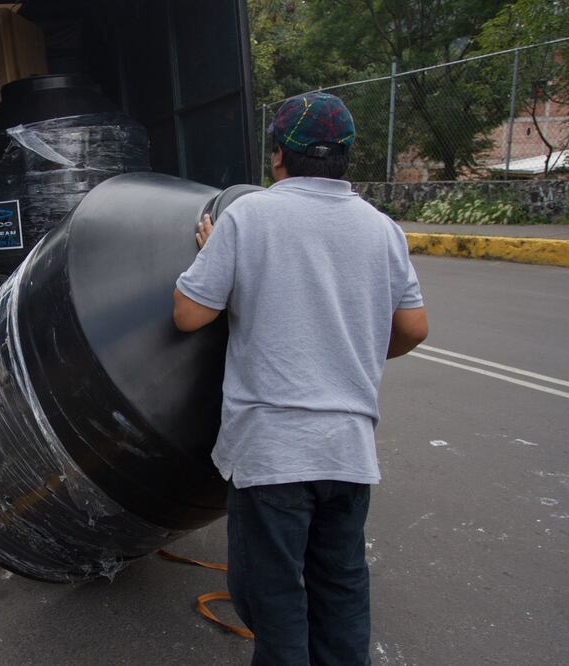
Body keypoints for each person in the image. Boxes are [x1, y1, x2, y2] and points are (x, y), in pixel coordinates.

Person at [172, 93, 428, 665]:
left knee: (274, 600)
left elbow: (189, 314)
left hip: (273, 456)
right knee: (340, 592)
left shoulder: (250, 216)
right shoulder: (382, 228)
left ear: (277, 157)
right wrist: (350, 355)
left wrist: (217, 257)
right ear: (345, 157)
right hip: (348, 451)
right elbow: (413, 327)